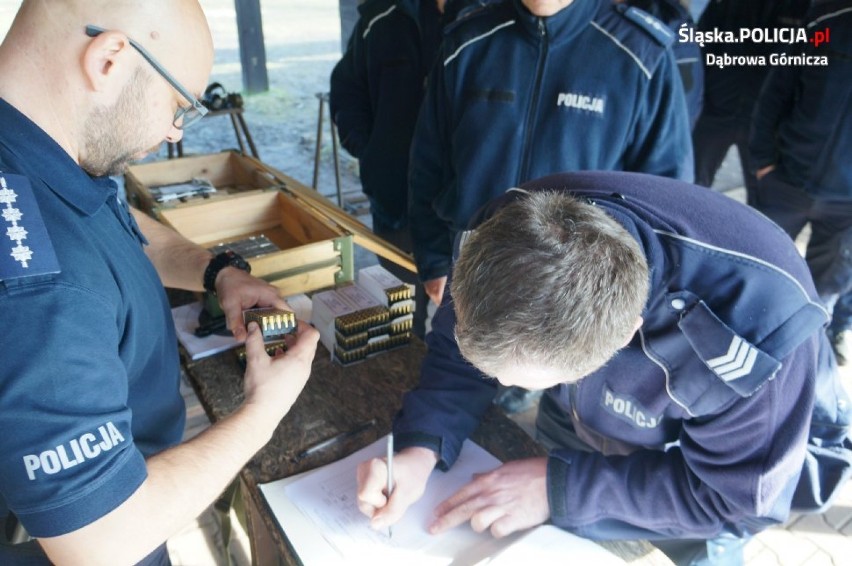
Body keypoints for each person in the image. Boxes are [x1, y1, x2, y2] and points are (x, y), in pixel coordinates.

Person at [357, 171, 852, 565]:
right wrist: (423, 443)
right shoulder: (510, 228)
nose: (498, 385)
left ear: (622, 336)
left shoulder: (754, 336)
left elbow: (731, 501)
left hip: (718, 475)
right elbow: (458, 347)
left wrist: (560, 488)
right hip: (584, 414)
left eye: (522, 378)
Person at [0, 1, 319, 564]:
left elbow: (113, 220)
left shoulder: (39, 151)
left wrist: (217, 272)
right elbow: (102, 539)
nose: (175, 132)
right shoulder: (40, 287)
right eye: (178, 103)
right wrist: (263, 414)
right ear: (109, 59)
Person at [408, 0, 693, 412]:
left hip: (579, 293)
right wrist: (434, 260)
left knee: (566, 421)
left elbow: (665, 195)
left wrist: (627, 303)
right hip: (474, 269)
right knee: (452, 390)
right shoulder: (468, 39)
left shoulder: (640, 53)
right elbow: (428, 162)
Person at [749, 0, 852, 366]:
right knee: (760, 263)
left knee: (832, 281)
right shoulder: (824, 25)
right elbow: (774, 93)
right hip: (788, 183)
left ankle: (826, 335)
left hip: (846, 205)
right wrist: (763, 162)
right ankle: (752, 328)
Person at [691, 0, 811, 205]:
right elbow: (699, 50)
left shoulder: (802, 8)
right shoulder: (726, 4)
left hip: (764, 125)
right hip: (714, 112)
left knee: (763, 200)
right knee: (690, 185)